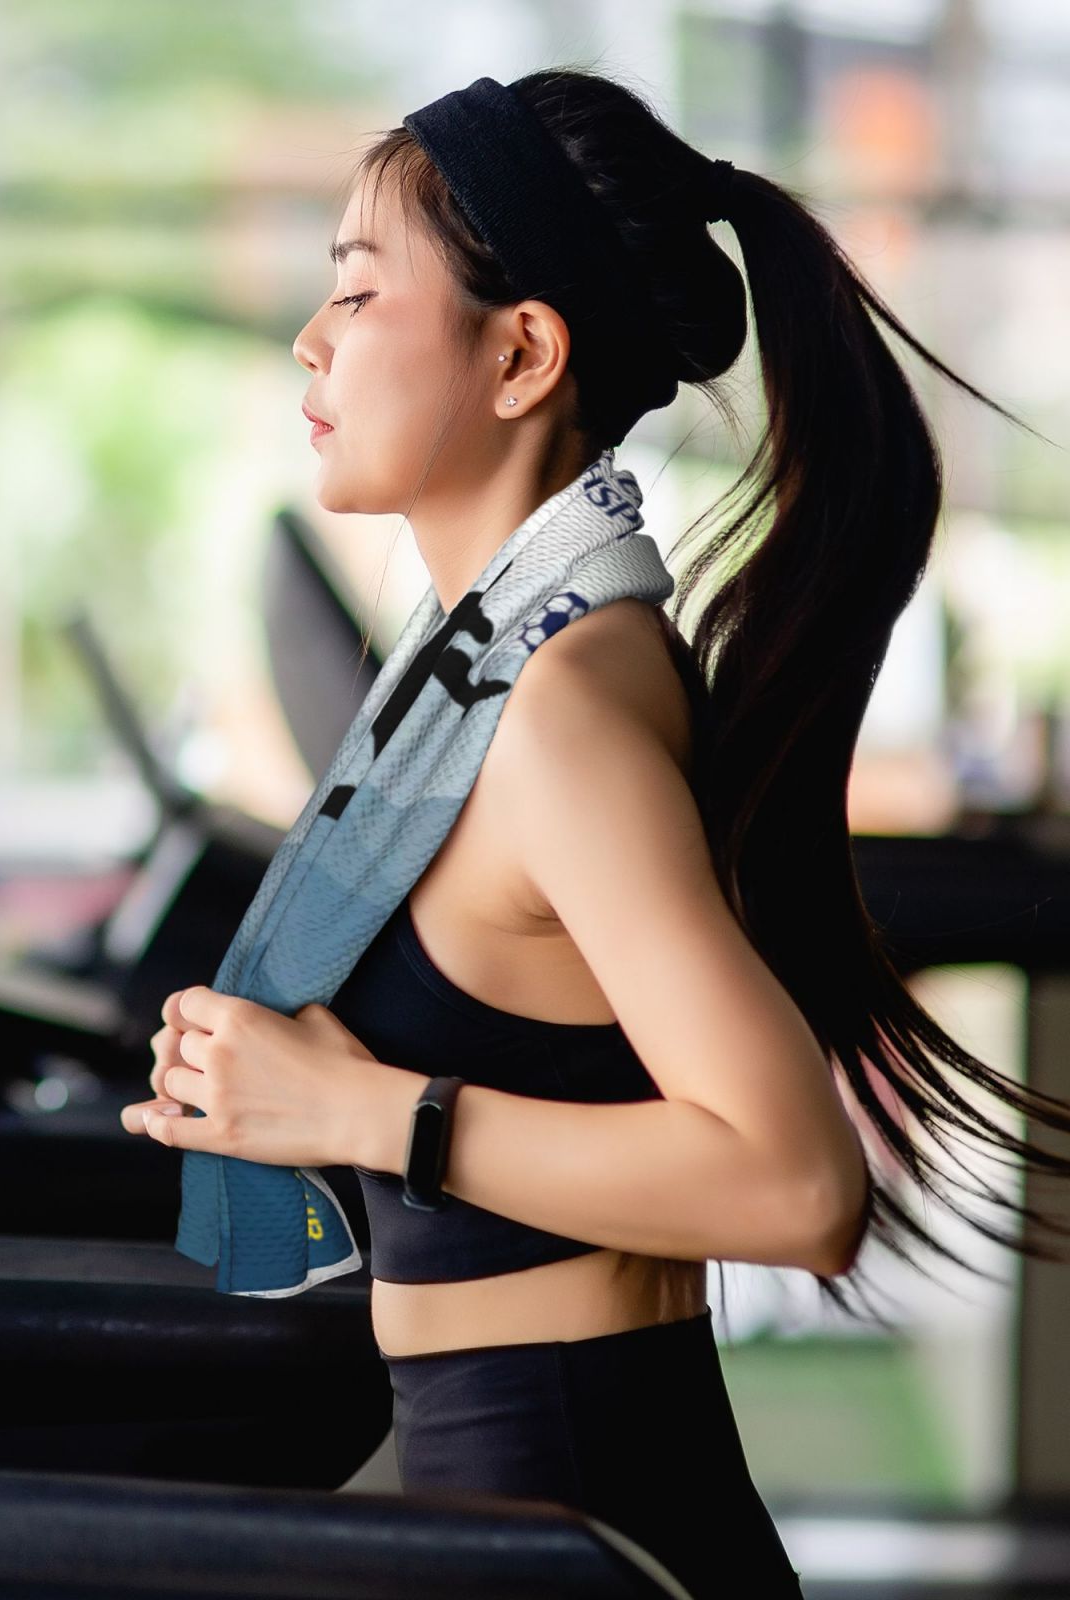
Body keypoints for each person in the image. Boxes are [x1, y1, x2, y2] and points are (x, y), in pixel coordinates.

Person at [119, 64, 1070, 1598]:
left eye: (359, 293)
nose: (311, 339)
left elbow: (798, 1184)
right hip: (524, 1492)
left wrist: (365, 1117)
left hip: (577, 1505)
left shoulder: (558, 710)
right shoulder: (501, 656)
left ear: (520, 355)